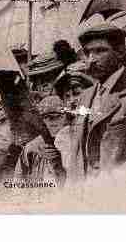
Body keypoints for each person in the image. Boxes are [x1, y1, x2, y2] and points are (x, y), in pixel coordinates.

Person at [63, 24, 126, 182]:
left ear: (120, 52)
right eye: (87, 52)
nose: (91, 59)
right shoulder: (86, 96)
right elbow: (77, 150)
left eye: (100, 50)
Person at [14, 95, 71, 182]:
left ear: (66, 117)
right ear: (43, 120)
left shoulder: (73, 139)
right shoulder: (34, 145)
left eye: (58, 117)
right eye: (48, 118)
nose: (53, 122)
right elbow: (19, 175)